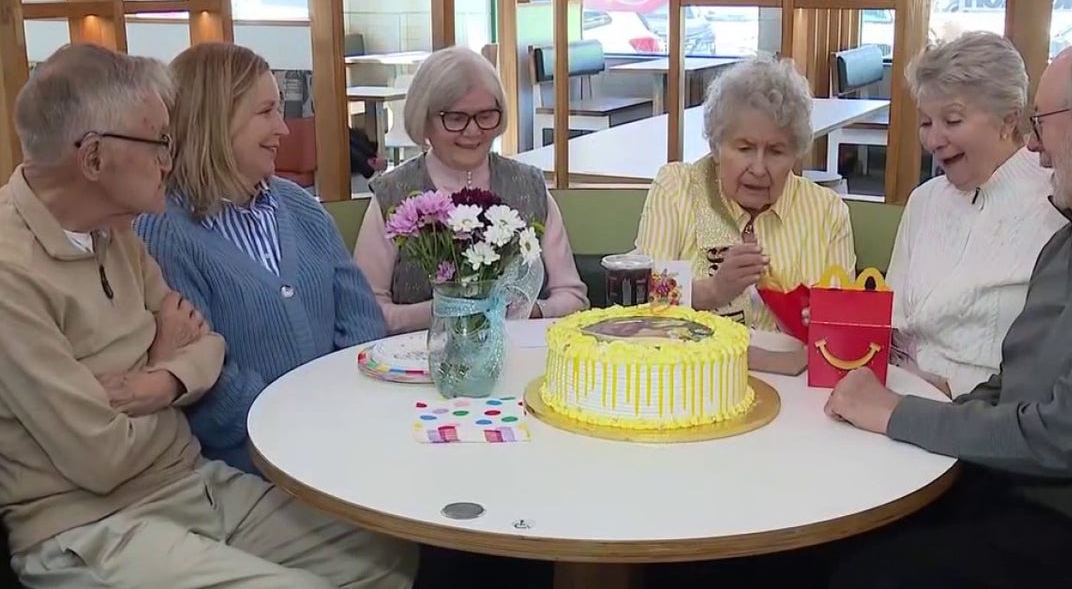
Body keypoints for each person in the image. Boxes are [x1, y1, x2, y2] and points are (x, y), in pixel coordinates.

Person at [0, 43, 415, 588]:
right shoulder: (12, 272)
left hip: (190, 485)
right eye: (156, 143)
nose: (169, 161)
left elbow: (209, 348)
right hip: (89, 526)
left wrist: (160, 380)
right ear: (94, 158)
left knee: (385, 551)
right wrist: (178, 389)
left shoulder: (115, 230)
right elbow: (100, 457)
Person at [824, 27, 1072, 589]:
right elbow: (1012, 381)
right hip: (1010, 491)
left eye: (1043, 122)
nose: (1033, 145)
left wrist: (897, 415)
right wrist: (909, 413)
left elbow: (1064, 437)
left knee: (844, 569)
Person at [134, 42, 387, 475]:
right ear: (215, 122)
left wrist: (346, 411)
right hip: (252, 466)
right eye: (266, 112)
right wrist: (298, 427)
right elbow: (205, 378)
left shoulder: (300, 206)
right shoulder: (163, 232)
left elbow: (362, 319)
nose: (283, 130)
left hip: (350, 436)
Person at [633, 55, 854, 371]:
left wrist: (823, 320)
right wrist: (713, 291)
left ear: (796, 154)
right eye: (744, 148)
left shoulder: (828, 213)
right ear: (715, 145)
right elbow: (641, 296)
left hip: (795, 386)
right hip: (689, 375)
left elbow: (843, 331)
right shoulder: (677, 187)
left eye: (776, 152)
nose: (759, 168)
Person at [354, 46, 588, 334]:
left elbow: (573, 297)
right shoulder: (392, 196)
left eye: (485, 115)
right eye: (455, 118)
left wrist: (529, 310)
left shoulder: (529, 187)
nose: (473, 131)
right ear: (423, 120)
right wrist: (452, 309)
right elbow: (367, 311)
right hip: (416, 368)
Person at [888, 31, 1065, 397]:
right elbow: (889, 322)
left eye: (952, 121)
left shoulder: (1058, 204)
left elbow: (1055, 366)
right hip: (894, 399)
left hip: (990, 419)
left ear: (1008, 120)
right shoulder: (924, 201)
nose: (934, 139)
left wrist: (953, 389)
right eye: (925, 122)